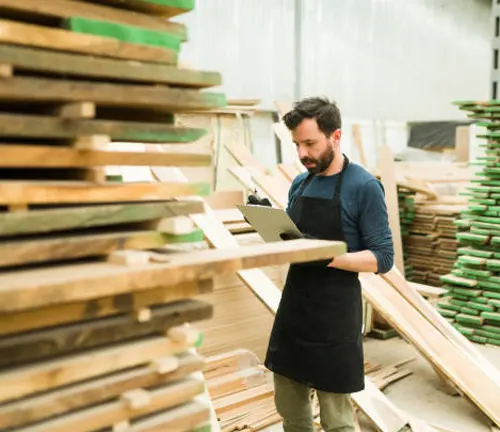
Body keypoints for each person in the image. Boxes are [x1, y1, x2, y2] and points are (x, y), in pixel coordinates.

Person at [255, 96, 394, 432]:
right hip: (294, 310)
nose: (302, 154)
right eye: (296, 144)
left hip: (335, 315)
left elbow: (383, 257)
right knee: (291, 408)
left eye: (310, 143)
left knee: (337, 419)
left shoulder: (364, 187)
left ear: (336, 136)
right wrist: (268, 223)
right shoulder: (301, 183)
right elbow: (292, 242)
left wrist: (330, 257)